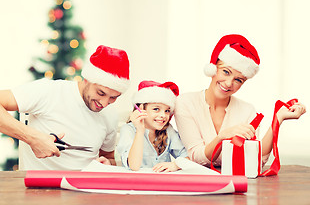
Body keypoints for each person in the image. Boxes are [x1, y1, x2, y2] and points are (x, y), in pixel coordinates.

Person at [174, 34, 306, 167]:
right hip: (197, 183)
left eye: (238, 80)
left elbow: (256, 160)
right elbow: (197, 157)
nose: (228, 83)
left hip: (237, 183)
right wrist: (222, 137)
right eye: (226, 72)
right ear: (213, 68)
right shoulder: (185, 103)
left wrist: (278, 118)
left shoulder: (247, 111)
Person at [0, 45, 130, 170]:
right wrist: (32, 138)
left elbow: (108, 157)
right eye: (100, 93)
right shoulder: (49, 91)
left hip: (84, 189)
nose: (104, 103)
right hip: (39, 188)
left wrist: (107, 164)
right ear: (87, 79)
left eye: (113, 97)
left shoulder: (110, 114)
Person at [117, 80, 188, 172]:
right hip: (136, 183)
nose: (163, 115)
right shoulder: (128, 130)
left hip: (162, 183)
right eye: (156, 109)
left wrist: (175, 165)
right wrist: (140, 131)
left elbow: (188, 157)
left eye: (167, 111)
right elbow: (134, 166)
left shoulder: (168, 130)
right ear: (140, 108)